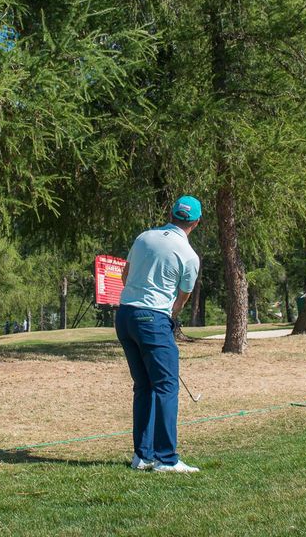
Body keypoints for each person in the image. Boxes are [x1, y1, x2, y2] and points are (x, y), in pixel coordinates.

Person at [115, 195, 202, 474]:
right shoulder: (189, 255)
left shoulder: (144, 237)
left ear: (172, 214)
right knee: (166, 386)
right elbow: (183, 295)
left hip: (125, 315)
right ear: (196, 222)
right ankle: (167, 459)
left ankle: (143, 456)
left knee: (144, 386)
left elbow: (125, 275)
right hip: (152, 318)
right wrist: (171, 315)